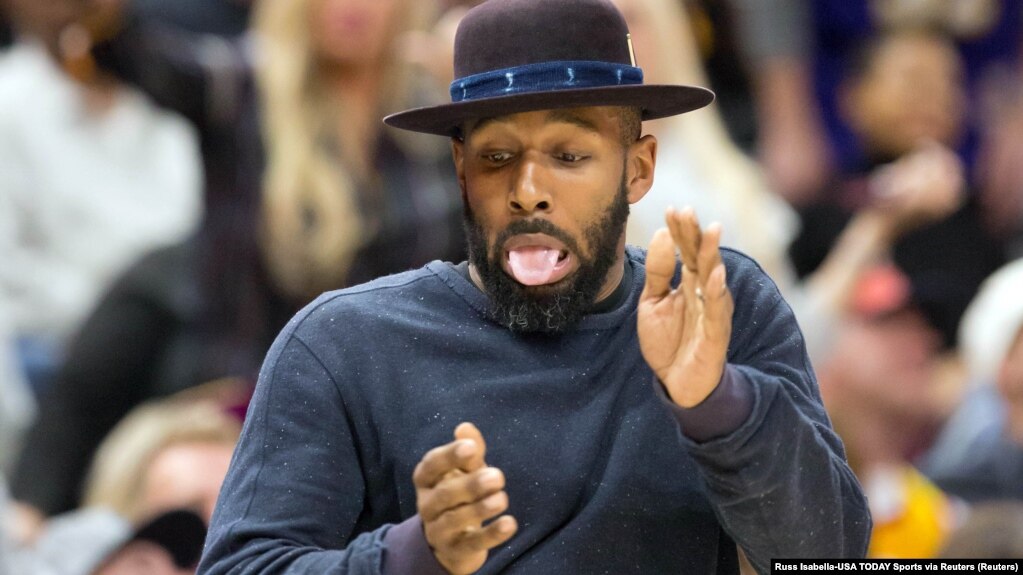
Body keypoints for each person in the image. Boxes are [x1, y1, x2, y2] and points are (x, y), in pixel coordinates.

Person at [198, 1, 871, 573]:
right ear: (459, 170)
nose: (527, 192)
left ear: (637, 170)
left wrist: (714, 402)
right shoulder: (343, 343)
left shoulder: (717, 302)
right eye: (496, 158)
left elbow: (832, 551)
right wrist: (411, 553)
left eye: (569, 156)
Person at [10, 0, 464, 521]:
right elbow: (134, 52)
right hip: (248, 406)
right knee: (133, 312)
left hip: (391, 409)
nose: (352, 6)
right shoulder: (241, 91)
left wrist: (469, 71)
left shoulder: (433, 111)